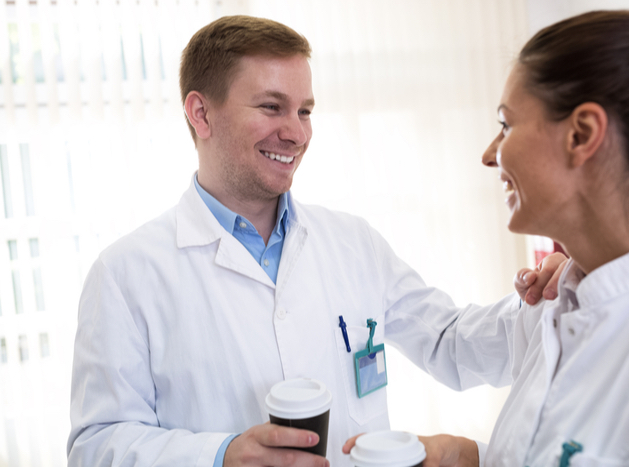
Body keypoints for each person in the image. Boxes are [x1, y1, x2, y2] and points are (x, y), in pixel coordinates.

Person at [66, 15, 565, 467]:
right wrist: (219, 456)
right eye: (271, 107)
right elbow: (95, 445)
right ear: (200, 114)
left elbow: (449, 343)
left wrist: (548, 301)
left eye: (305, 111)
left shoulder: (351, 242)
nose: (296, 133)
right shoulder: (127, 273)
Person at [345, 9, 629, 467]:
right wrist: (471, 458)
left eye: (505, 124)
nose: (490, 155)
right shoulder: (558, 297)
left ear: (581, 134)